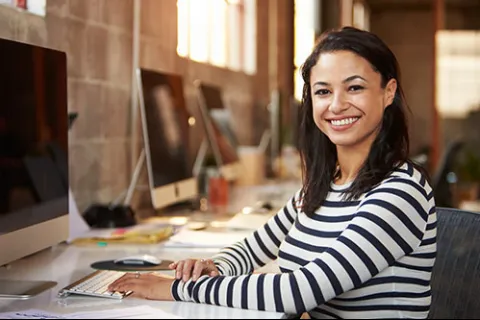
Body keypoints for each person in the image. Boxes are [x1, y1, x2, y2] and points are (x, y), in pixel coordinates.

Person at [109, 26, 437, 319]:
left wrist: (172, 289)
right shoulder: (323, 186)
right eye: (323, 91)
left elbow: (300, 291)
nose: (336, 105)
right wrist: (215, 267)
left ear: (388, 91)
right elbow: (253, 248)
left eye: (354, 88)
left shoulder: (400, 192)